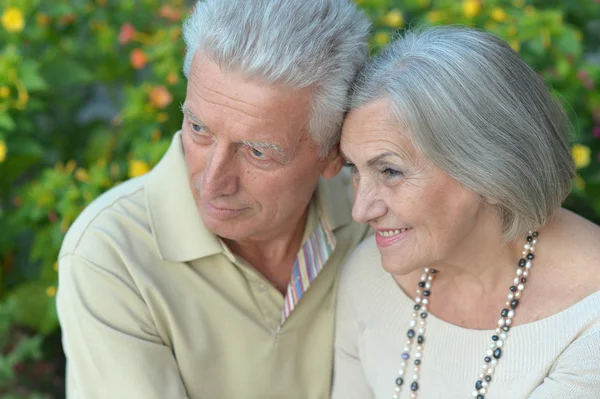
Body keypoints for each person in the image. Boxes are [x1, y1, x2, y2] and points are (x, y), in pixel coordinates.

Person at [56, 1, 371, 398]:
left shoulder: (377, 224)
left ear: (334, 154)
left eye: (258, 152)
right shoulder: (112, 255)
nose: (211, 183)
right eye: (199, 128)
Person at [332, 26, 600, 399]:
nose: (361, 210)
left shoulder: (589, 324)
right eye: (354, 170)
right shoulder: (367, 275)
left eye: (390, 171)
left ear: (490, 171)